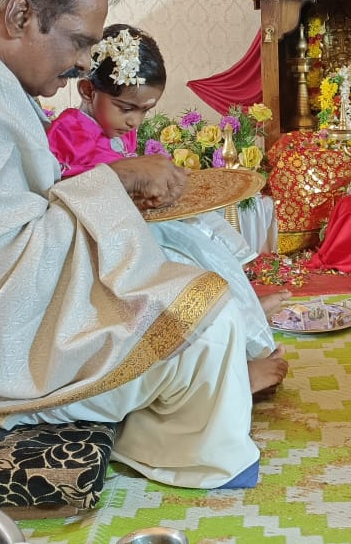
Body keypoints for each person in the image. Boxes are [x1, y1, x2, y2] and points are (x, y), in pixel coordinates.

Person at [0, 0, 287, 490]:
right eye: (77, 43)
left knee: (186, 276)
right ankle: (173, 445)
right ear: (20, 16)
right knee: (208, 322)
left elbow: (21, 220)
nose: (81, 65)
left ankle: (170, 414)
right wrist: (114, 182)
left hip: (7, 315)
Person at [45, 22, 287, 362]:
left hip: (140, 221)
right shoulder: (70, 129)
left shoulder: (119, 129)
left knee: (205, 237)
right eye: (127, 108)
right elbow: (78, 184)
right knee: (194, 254)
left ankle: (242, 309)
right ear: (87, 90)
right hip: (109, 236)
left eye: (145, 110)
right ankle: (240, 330)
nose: (135, 122)